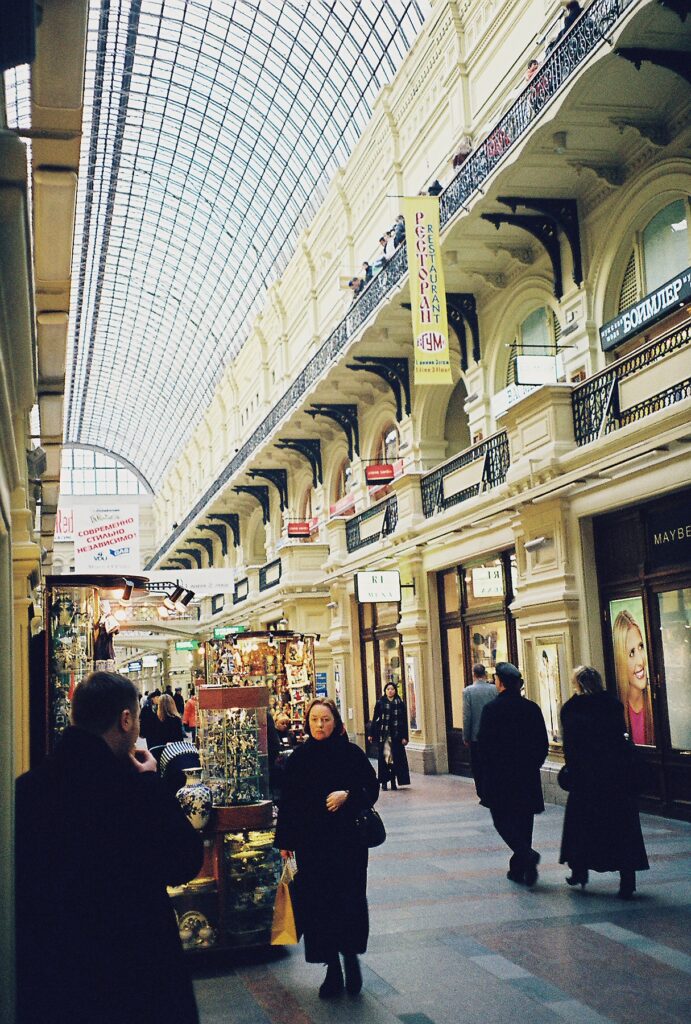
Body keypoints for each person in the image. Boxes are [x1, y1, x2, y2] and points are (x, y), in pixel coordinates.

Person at [15, 670, 203, 1024]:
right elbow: (184, 860)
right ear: (126, 718)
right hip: (138, 974)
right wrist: (152, 785)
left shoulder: (26, 791)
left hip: (55, 977)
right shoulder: (132, 791)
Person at [275, 697, 378, 999]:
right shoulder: (298, 759)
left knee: (350, 900)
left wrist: (348, 795)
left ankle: (350, 956)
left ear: (336, 723)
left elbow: (371, 789)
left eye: (326, 719)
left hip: (349, 844)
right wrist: (285, 842)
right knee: (319, 905)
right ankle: (332, 967)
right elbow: (288, 803)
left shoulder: (351, 754)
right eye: (315, 720)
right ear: (307, 723)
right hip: (313, 845)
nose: (320, 725)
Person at [558, 666, 649, 899]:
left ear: (577, 683)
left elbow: (571, 746)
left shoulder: (572, 708)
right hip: (615, 776)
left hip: (586, 777)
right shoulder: (612, 704)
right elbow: (620, 735)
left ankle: (580, 870)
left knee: (581, 825)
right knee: (622, 828)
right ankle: (627, 880)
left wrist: (572, 769)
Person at [477, 662, 549, 886]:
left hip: (500, 776)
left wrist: (485, 774)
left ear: (500, 682)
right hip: (526, 775)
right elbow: (542, 743)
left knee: (501, 819)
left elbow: (484, 746)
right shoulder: (532, 708)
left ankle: (525, 856)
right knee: (524, 821)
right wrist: (532, 764)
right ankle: (520, 869)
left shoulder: (491, 709)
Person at [612, 609, 654, 745]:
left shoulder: (656, 704)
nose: (640, 661)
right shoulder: (614, 710)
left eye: (641, 647)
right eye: (631, 653)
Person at [462, 663, 497, 798]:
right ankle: (492, 789)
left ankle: (482, 792)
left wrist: (466, 736)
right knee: (491, 763)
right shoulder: (494, 689)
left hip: (476, 736)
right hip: (493, 736)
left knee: (477, 765)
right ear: (485, 674)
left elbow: (467, 715)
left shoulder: (468, 691)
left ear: (474, 675)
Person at [368, 682, 410, 791]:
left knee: (395, 760)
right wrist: (371, 734)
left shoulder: (400, 703)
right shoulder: (380, 703)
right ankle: (384, 782)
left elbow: (404, 721)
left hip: (396, 736)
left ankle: (393, 782)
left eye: (392, 689)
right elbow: (375, 718)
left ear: (395, 690)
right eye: (388, 689)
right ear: (385, 691)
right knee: (385, 760)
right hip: (384, 736)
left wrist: (405, 737)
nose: (390, 691)